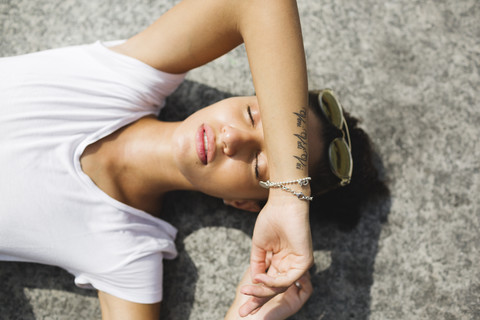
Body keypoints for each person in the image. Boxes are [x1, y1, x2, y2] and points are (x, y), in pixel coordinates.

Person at [0, 0, 387, 318]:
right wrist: (288, 193)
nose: (231, 138)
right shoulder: (122, 79)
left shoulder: (127, 252)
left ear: (244, 204)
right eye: (253, 115)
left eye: (256, 164)